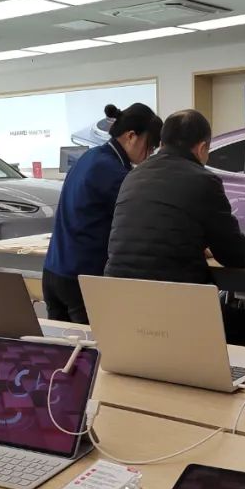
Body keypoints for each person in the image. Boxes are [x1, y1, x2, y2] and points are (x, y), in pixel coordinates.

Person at [104, 109, 245, 347]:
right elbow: (235, 256)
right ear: (202, 148)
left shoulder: (133, 177)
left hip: (123, 306)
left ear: (162, 142)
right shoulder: (203, 180)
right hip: (178, 311)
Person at [43, 103, 162, 324]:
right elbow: (139, 222)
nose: (150, 154)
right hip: (80, 278)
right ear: (131, 136)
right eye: (151, 146)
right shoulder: (113, 171)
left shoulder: (91, 157)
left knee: (61, 344)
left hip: (54, 270)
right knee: (95, 346)